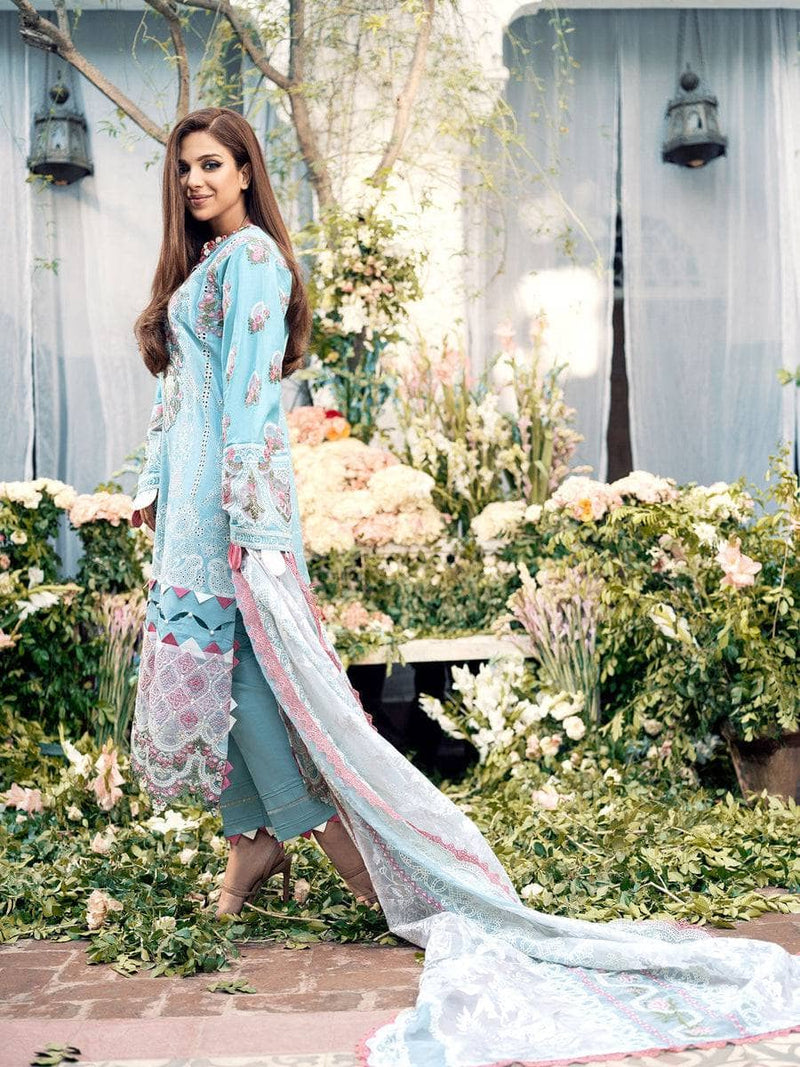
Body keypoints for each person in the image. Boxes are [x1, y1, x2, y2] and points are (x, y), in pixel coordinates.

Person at [130, 107, 800, 1067]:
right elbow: (177, 401)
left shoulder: (257, 263)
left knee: (251, 678)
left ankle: (307, 838)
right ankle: (256, 835)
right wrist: (153, 488)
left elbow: (246, 400)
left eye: (211, 164)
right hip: (187, 508)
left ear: (245, 172)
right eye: (185, 169)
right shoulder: (200, 265)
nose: (195, 181)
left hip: (228, 507)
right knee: (217, 675)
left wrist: (244, 514)